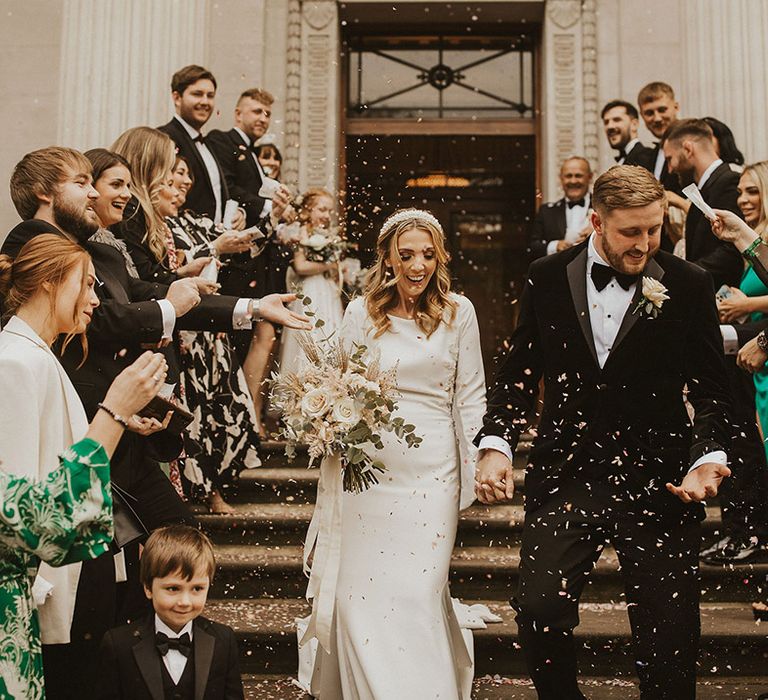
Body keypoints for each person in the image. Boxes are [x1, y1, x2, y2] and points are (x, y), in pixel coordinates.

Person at [475, 165, 732, 699]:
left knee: (670, 635)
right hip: (567, 474)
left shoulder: (688, 284)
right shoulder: (546, 276)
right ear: (596, 221)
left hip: (660, 480)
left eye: (654, 230)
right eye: (630, 232)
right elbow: (519, 374)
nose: (644, 245)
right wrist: (496, 446)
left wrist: (706, 453)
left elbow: (712, 388)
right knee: (541, 607)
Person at [299, 208, 487, 699]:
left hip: (433, 473)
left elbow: (470, 395)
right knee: (362, 594)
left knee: (418, 592)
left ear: (440, 256)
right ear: (387, 257)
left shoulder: (459, 311)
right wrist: (329, 421)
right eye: (406, 255)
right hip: (368, 472)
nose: (417, 265)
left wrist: (477, 465)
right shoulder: (361, 312)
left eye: (427, 255)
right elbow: (335, 381)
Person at [0, 233, 169, 697]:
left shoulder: (38, 356)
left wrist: (121, 420)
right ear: (52, 283)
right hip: (37, 582)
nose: (95, 300)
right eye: (87, 285)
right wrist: (112, 413)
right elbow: (21, 512)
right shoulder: (15, 364)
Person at [166, 155, 262, 514]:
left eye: (188, 175)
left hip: (213, 329)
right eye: (177, 174)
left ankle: (220, 482)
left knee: (230, 406)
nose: (184, 182)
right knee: (198, 415)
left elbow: (241, 250)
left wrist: (240, 233)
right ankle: (203, 491)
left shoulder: (196, 220)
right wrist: (214, 248)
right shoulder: (155, 224)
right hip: (188, 332)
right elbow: (167, 270)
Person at [207, 89, 294, 429]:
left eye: (267, 114)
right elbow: (226, 189)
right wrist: (268, 206)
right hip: (238, 265)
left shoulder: (255, 158)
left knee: (262, 335)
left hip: (261, 263)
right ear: (238, 113)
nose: (262, 118)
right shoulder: (223, 140)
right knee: (242, 338)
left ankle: (250, 414)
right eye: (256, 111)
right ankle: (240, 417)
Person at [98, 525, 243, 699]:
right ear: (148, 588)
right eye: (173, 588)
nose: (185, 602)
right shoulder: (118, 644)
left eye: (197, 588)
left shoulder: (223, 640)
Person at [158, 65, 244, 229]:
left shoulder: (209, 145)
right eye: (197, 94)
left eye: (210, 96)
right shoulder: (164, 138)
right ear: (177, 97)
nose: (205, 102)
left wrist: (238, 212)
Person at [663, 118, 744, 288]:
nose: (670, 169)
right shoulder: (706, 187)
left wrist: (683, 273)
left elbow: (732, 251)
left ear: (687, 149)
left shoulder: (729, 181)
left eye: (670, 159)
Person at [278, 188, 344, 377]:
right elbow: (300, 266)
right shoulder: (301, 232)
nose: (327, 215)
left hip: (326, 289)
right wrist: (328, 265)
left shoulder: (325, 234)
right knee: (311, 333)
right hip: (310, 291)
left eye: (330, 211)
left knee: (329, 331)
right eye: (322, 210)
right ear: (309, 209)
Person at [528, 156, 593, 260]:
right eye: (568, 176)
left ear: (590, 177)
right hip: (558, 274)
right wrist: (555, 246)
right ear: (561, 179)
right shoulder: (546, 212)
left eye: (578, 176)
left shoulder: (603, 208)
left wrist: (596, 235)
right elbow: (533, 247)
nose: (573, 181)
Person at [600, 99, 655, 168]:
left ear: (634, 124)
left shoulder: (649, 158)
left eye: (617, 120)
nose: (610, 126)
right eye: (606, 122)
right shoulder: (621, 161)